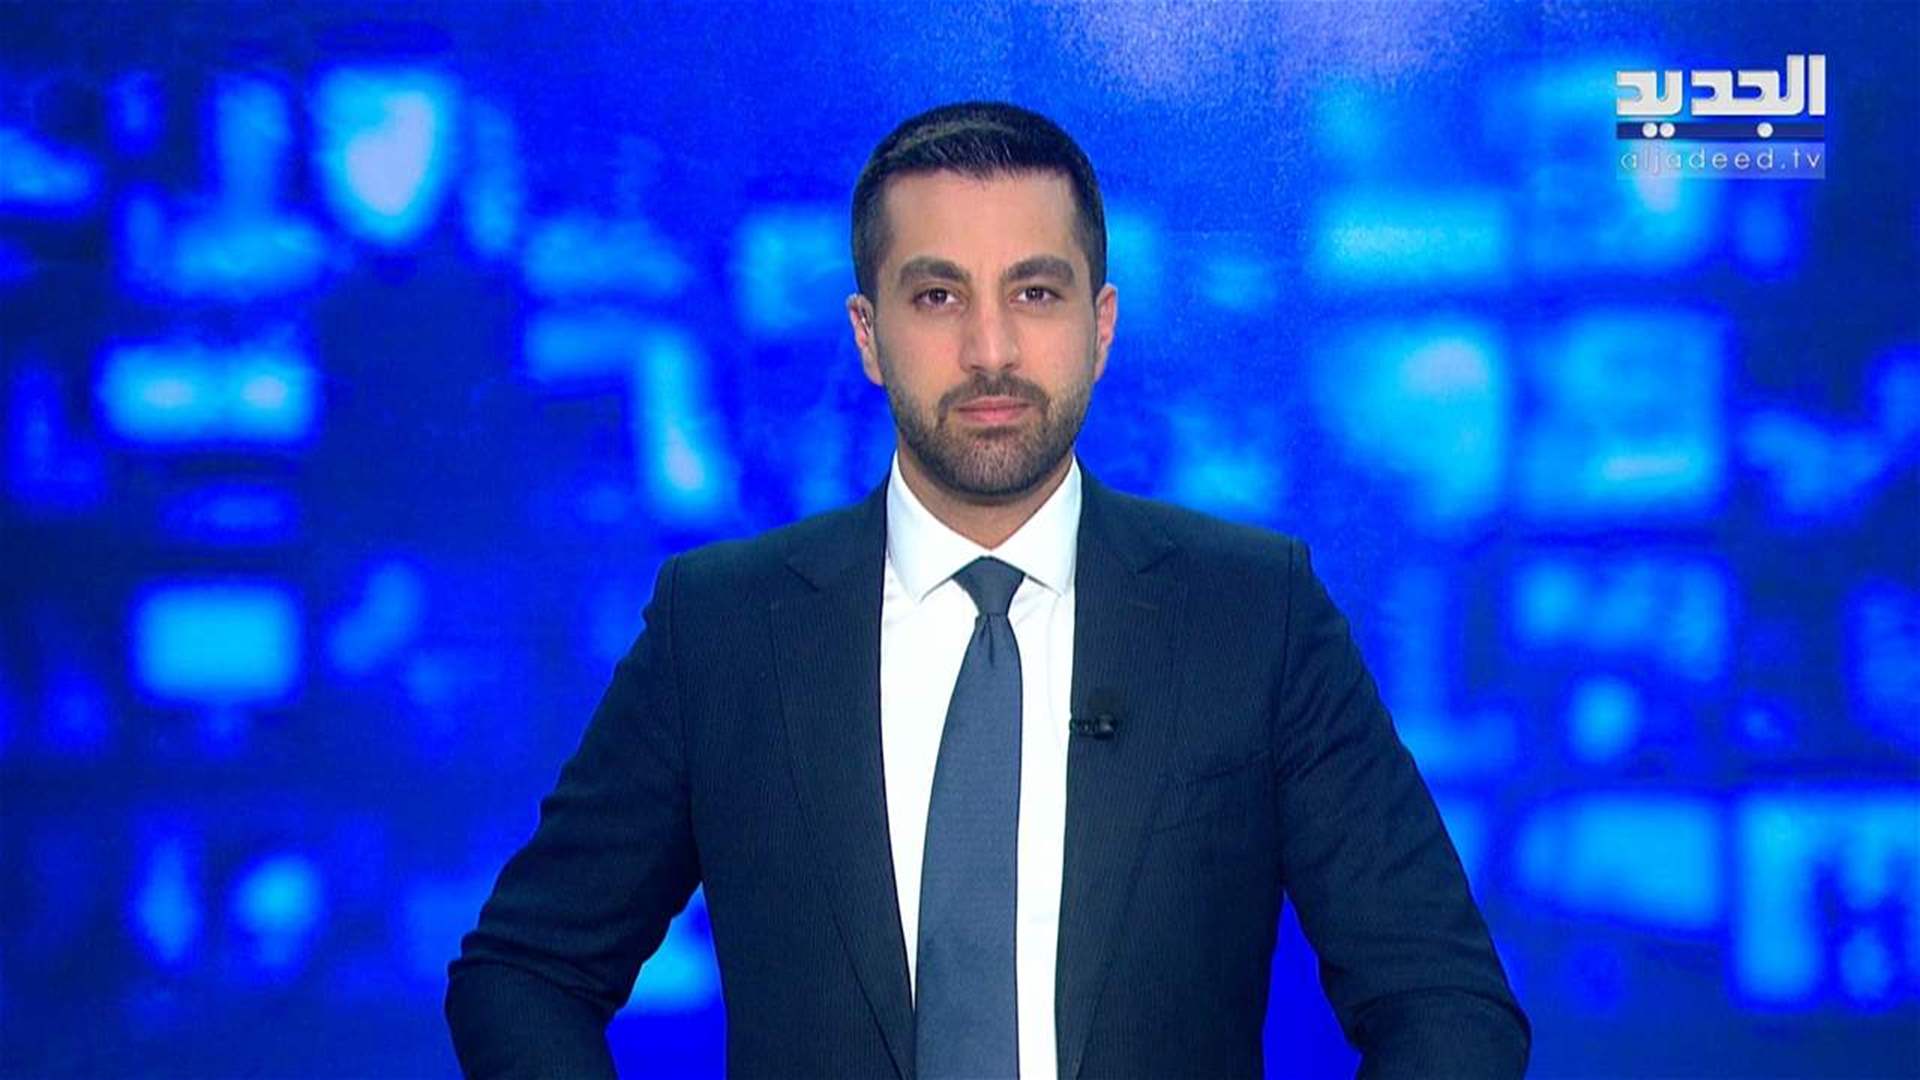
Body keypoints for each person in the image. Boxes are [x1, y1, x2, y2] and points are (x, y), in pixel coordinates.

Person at [445, 101, 1529, 1080]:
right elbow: (522, 975)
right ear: (869, 335)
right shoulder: (722, 626)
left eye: (1035, 293)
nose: (991, 349)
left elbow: (1449, 1005)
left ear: (1101, 327)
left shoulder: (1256, 613)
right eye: (937, 296)